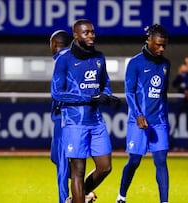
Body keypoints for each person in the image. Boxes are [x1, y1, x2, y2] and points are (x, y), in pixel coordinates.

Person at [51, 19, 119, 203]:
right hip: (74, 122)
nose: (91, 36)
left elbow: (106, 84)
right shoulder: (64, 59)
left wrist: (107, 96)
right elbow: (57, 93)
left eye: (92, 32)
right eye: (86, 33)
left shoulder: (99, 57)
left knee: (105, 167)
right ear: (75, 35)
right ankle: (79, 197)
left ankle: (75, 199)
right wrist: (88, 98)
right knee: (78, 171)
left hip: (96, 121)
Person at [116, 24, 170, 203]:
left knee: (161, 160)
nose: (162, 48)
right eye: (158, 45)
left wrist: (165, 119)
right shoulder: (135, 62)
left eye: (164, 45)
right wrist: (138, 114)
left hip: (158, 122)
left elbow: (163, 94)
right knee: (134, 161)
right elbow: (129, 92)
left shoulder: (165, 64)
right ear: (149, 41)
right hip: (137, 121)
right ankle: (121, 196)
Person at [49, 30, 71, 203]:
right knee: (56, 157)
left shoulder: (62, 60)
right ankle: (80, 192)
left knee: (62, 161)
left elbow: (58, 92)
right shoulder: (70, 58)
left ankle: (64, 200)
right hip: (66, 116)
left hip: (64, 116)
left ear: (54, 44)